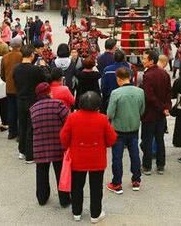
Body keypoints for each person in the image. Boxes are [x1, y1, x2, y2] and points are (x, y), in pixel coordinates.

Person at [60, 91, 117, 223]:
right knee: (96, 187)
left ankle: (76, 212)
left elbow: (63, 137)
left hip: (77, 159)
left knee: (77, 186)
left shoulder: (72, 117)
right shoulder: (102, 118)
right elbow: (112, 139)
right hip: (97, 159)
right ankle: (95, 215)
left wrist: (68, 146)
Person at [30, 83, 70, 207]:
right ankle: (64, 200)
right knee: (60, 173)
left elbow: (32, 127)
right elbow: (68, 122)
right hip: (58, 145)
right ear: (48, 93)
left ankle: (42, 198)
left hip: (40, 146)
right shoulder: (58, 105)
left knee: (41, 173)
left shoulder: (33, 108)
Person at [106, 67, 145, 194]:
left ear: (118, 79)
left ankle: (117, 183)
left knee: (117, 157)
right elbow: (142, 110)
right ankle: (136, 180)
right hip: (134, 127)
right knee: (134, 154)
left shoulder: (116, 93)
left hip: (118, 128)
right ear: (130, 77)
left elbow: (110, 113)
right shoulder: (140, 92)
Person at [140, 49, 171, 175]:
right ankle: (160, 165)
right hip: (161, 114)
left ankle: (147, 166)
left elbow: (149, 96)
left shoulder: (148, 76)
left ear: (151, 61)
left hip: (150, 113)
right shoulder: (164, 73)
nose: (142, 61)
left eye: (144, 59)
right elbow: (169, 92)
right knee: (159, 139)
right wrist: (166, 107)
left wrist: (161, 107)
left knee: (147, 140)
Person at [13, 45, 47, 162]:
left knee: (22, 125)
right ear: (32, 55)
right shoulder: (35, 69)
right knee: (31, 127)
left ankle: (21, 151)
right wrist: (44, 67)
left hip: (20, 99)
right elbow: (46, 78)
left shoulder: (16, 68)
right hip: (32, 100)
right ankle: (30, 154)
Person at [1, 38, 23, 140]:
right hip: (20, 87)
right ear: (20, 46)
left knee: (11, 110)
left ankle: (11, 132)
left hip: (9, 88)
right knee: (19, 111)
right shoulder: (21, 56)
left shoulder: (5, 57)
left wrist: (8, 81)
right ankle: (19, 133)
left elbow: (2, 75)